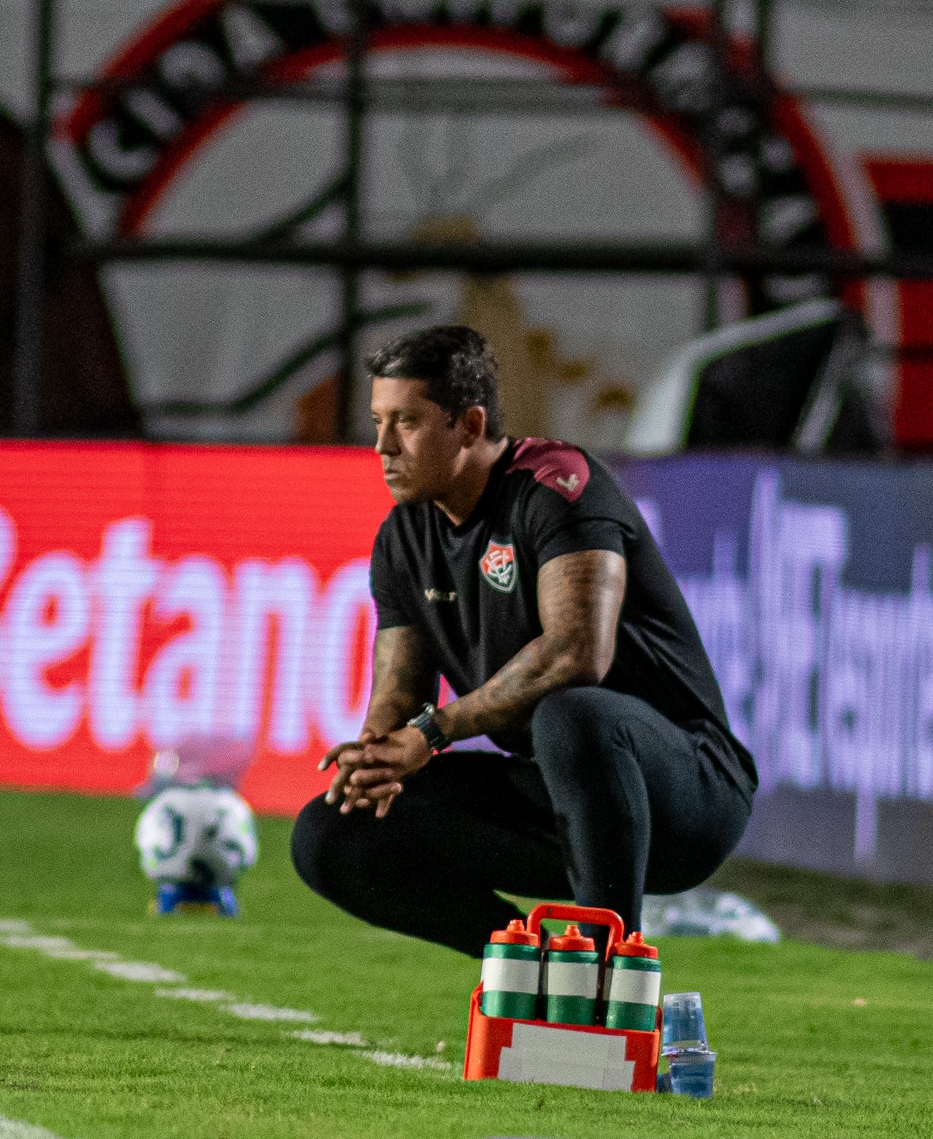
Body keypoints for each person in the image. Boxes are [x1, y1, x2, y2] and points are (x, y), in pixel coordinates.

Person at [294, 324, 756, 958]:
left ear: (470, 423)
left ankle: (607, 973)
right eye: (377, 421)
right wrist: (371, 761)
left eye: (406, 422)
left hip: (683, 795)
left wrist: (432, 733)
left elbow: (576, 655)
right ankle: (529, 970)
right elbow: (397, 701)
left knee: (571, 713)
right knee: (331, 833)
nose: (382, 445)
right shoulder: (403, 541)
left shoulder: (558, 486)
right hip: (561, 797)